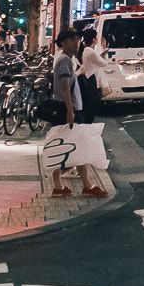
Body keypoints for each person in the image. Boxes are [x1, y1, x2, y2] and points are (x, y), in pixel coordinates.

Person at [49, 28, 107, 199]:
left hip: (71, 108)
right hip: (70, 109)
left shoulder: (65, 59)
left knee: (71, 146)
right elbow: (65, 86)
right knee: (74, 146)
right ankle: (78, 186)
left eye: (77, 39)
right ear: (64, 42)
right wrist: (69, 111)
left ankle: (71, 185)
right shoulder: (64, 60)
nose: (77, 43)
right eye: (73, 40)